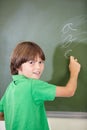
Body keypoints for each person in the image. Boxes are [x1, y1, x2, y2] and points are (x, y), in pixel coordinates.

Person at [0, 41, 81, 130]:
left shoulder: (10, 88)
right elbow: (69, 91)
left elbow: (1, 114)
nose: (38, 67)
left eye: (41, 62)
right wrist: (74, 72)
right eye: (31, 62)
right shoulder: (33, 85)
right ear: (17, 65)